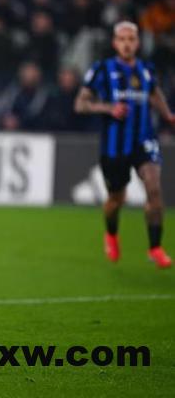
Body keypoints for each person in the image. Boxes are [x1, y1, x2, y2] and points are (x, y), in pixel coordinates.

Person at [74, 21, 175, 268]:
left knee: (153, 187)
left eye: (131, 39)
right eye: (122, 39)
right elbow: (80, 104)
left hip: (144, 139)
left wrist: (168, 114)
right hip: (114, 145)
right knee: (116, 199)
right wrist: (108, 108)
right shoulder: (102, 69)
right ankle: (111, 234)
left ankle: (155, 248)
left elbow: (154, 93)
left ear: (138, 43)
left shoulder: (146, 69)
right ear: (114, 43)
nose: (127, 44)